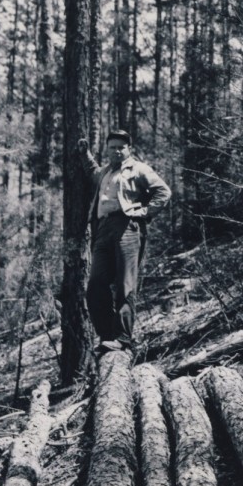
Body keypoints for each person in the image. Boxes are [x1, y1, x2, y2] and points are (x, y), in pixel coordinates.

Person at [79, 129, 171, 354]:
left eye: (121, 147)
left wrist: (144, 212)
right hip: (103, 228)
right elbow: (92, 172)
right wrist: (85, 154)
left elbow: (163, 192)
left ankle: (123, 339)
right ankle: (107, 336)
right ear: (107, 150)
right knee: (95, 286)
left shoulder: (139, 169)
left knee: (124, 284)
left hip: (127, 227)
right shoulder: (106, 171)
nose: (117, 151)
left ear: (129, 149)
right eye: (112, 147)